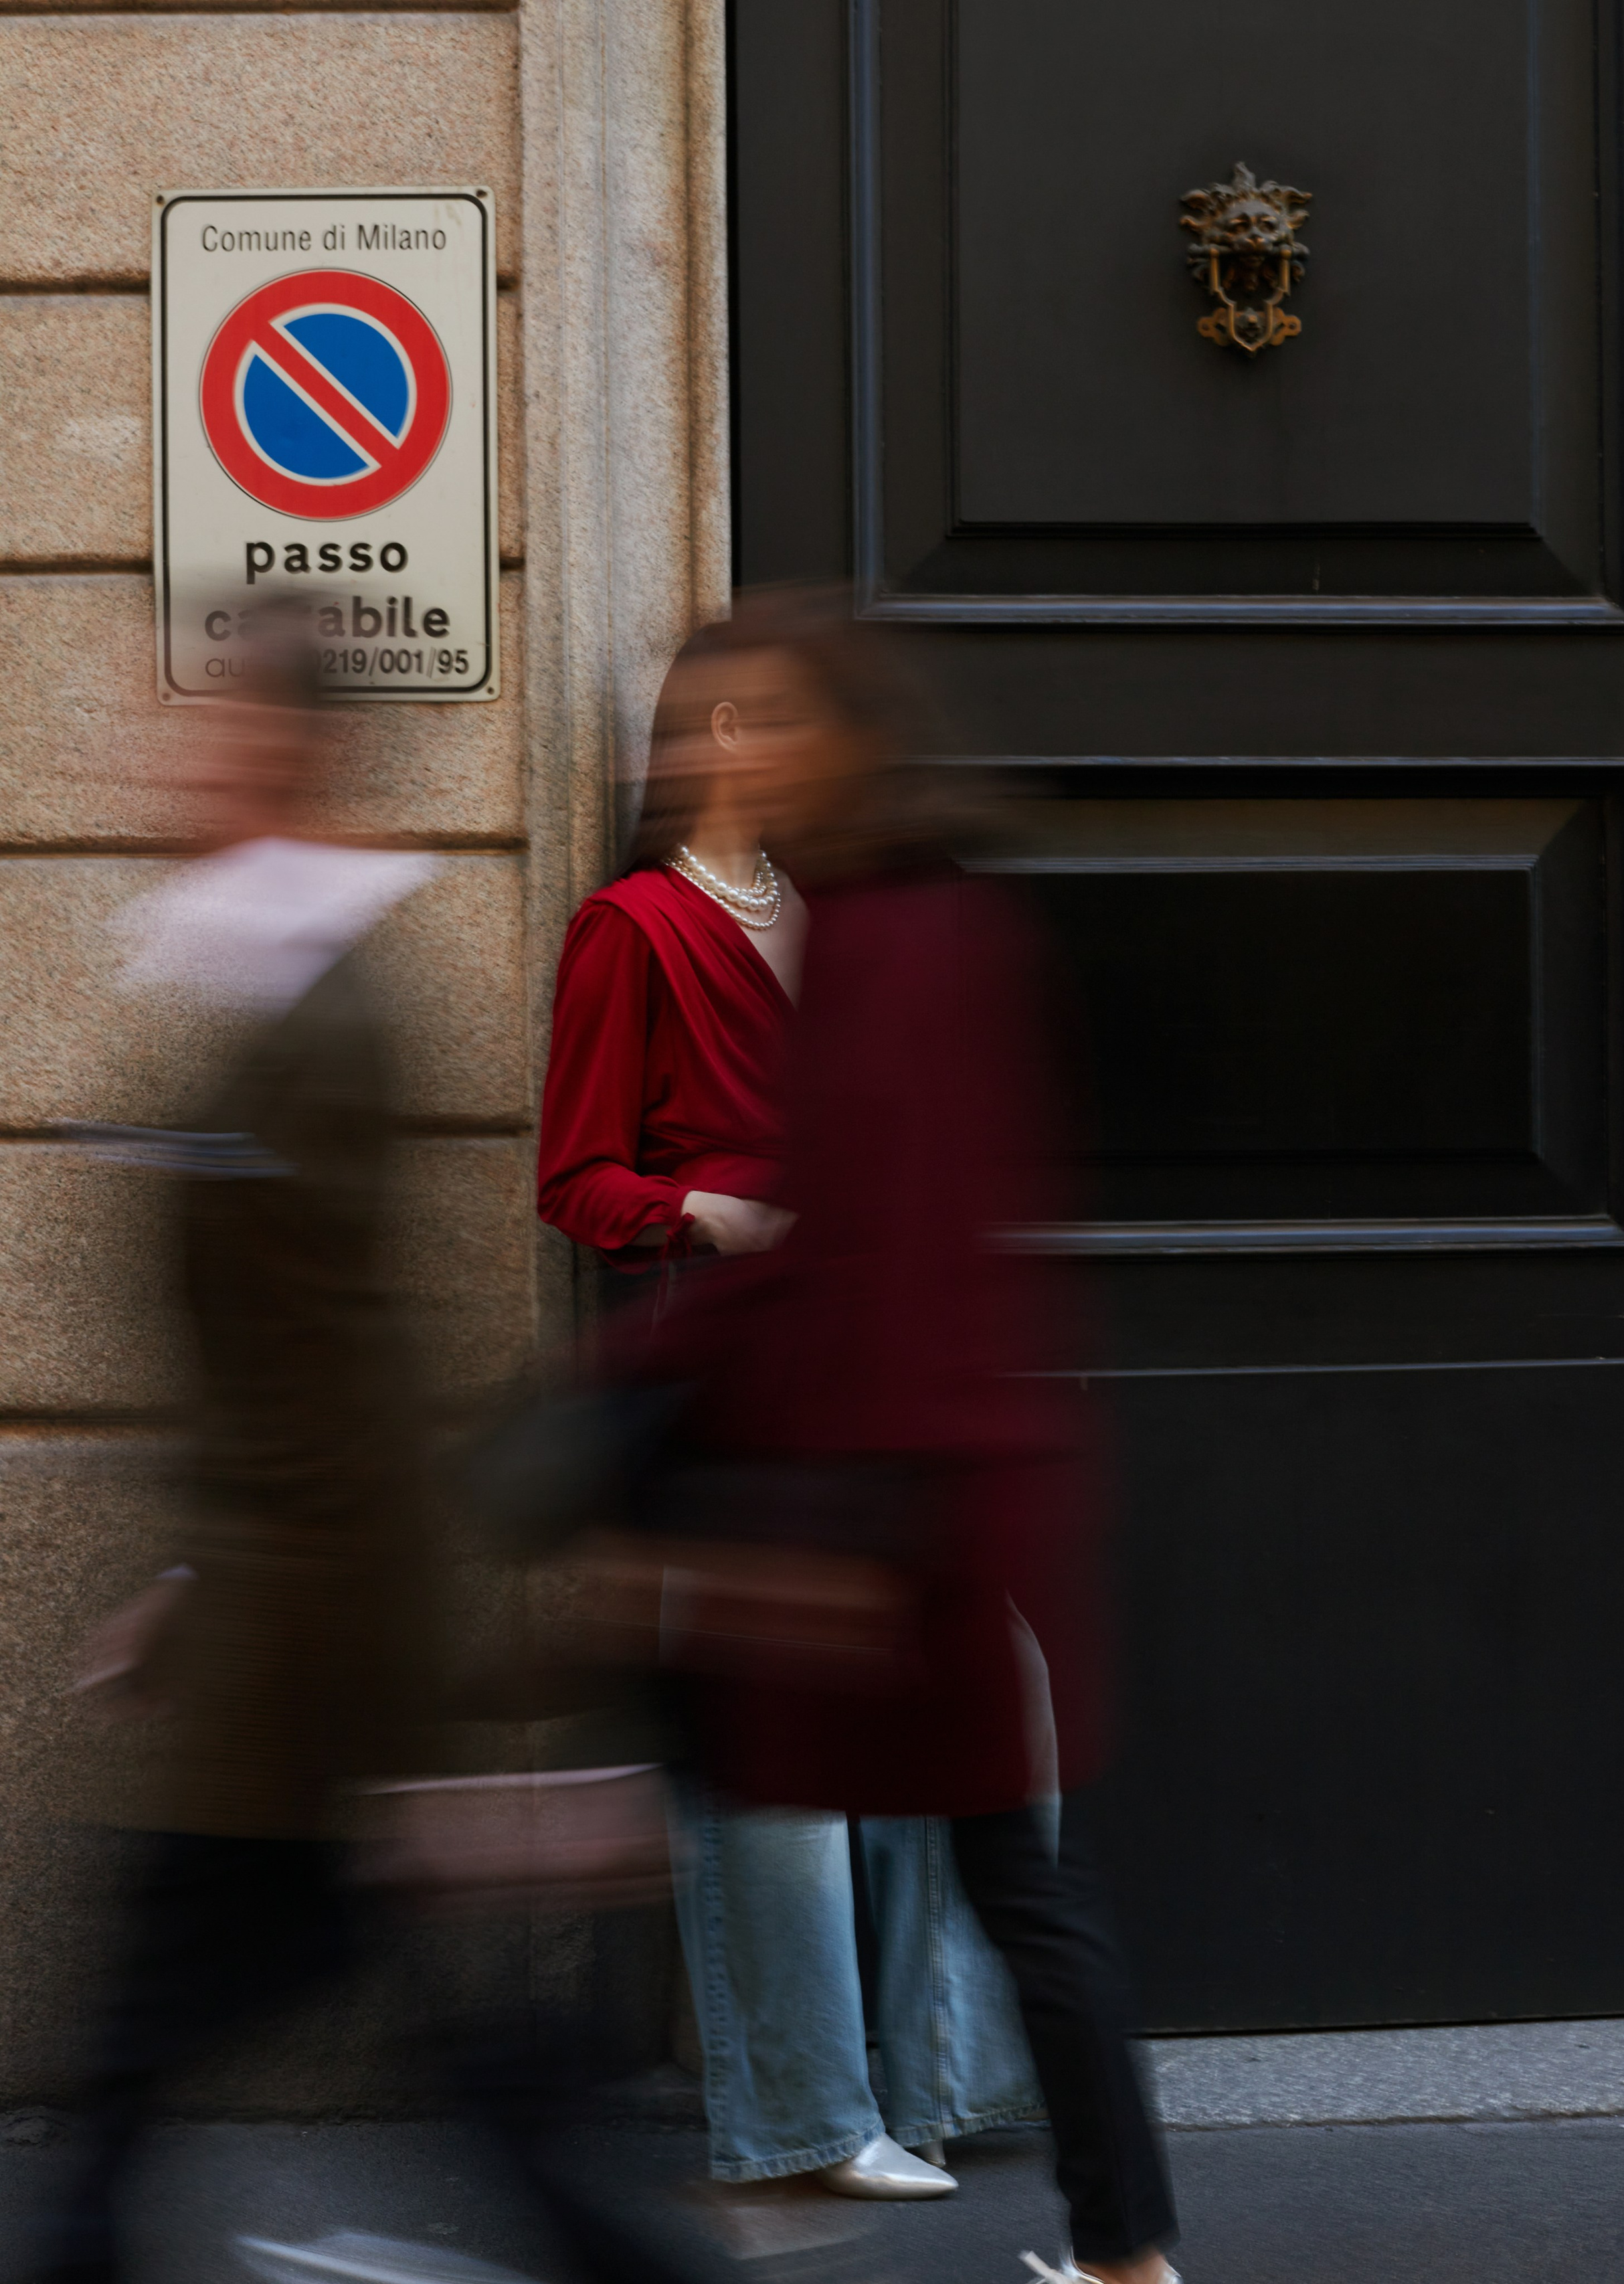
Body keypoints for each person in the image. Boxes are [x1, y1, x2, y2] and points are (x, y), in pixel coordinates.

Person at [624, 590, 1180, 2284]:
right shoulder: (893, 923)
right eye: (722, 722)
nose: (742, 750)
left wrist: (633, 1410)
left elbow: (875, 1237)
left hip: (896, 1491)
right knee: (1002, 1871)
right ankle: (1094, 2241)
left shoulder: (894, 938)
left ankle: (867, 2174)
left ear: (847, 737)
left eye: (779, 717)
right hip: (912, 1479)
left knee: (973, 1863)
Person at [536, 632, 1045, 2194]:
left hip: (867, 1368)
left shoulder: (852, 913)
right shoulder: (630, 930)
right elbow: (575, 1177)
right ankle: (812, 2121)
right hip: (725, 1375)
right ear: (732, 732)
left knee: (952, 1704)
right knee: (778, 1766)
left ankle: (939, 2079)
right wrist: (709, 1214)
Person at [26, 618, 446, 2284]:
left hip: (311, 1620)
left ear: (285, 761)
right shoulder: (251, 974)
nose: (166, 771)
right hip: (290, 1605)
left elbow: (328, 1371)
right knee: (315, 1990)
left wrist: (230, 1597)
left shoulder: (322, 1012)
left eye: (201, 742)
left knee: (157, 2009)